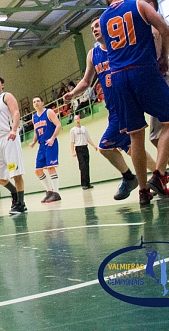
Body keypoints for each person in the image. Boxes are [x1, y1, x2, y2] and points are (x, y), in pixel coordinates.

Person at [99, 0, 169, 205]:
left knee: (136, 136)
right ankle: (159, 174)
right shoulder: (139, 5)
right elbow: (165, 30)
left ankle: (143, 191)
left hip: (118, 79)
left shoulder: (104, 18)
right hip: (143, 70)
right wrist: (163, 56)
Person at [64, 18, 159, 201]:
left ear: (108, 26)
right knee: (134, 150)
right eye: (92, 28)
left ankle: (129, 178)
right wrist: (73, 93)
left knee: (105, 147)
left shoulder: (121, 45)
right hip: (113, 109)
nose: (94, 29)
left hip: (127, 106)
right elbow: (86, 81)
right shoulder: (93, 54)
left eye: (98, 25)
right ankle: (159, 178)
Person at [138, 0, 169, 196]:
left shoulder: (156, 23)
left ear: (149, 6)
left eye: (140, 5)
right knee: (157, 136)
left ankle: (162, 175)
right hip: (168, 84)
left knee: (160, 135)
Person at [0, 76, 26, 215]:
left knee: (15, 172)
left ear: (2, 85)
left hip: (9, 138)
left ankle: (20, 204)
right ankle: (14, 192)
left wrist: (14, 130)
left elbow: (16, 112)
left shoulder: (7, 96)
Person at [29, 97, 62, 203]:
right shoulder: (34, 117)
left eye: (38, 101)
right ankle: (49, 191)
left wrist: (52, 138)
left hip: (50, 142)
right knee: (38, 171)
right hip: (41, 145)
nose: (36, 103)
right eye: (34, 102)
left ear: (42, 102)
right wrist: (34, 142)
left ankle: (56, 193)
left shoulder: (49, 112)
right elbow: (36, 132)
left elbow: (58, 126)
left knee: (50, 167)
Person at [69, 114, 97, 189]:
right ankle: (83, 184)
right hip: (78, 148)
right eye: (75, 119)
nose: (77, 120)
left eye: (78, 119)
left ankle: (88, 183)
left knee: (87, 165)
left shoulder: (84, 128)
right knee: (82, 166)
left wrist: (94, 145)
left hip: (85, 147)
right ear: (74, 121)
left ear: (79, 119)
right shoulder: (73, 130)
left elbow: (88, 138)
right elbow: (72, 142)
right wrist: (73, 151)